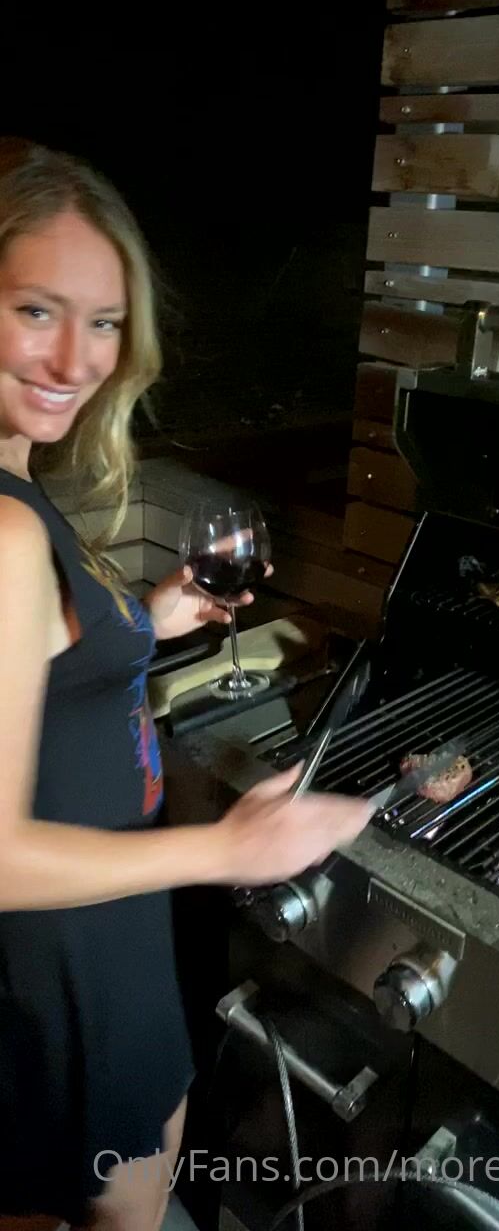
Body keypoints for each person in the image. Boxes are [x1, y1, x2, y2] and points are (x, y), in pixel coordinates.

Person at [0, 138, 371, 1231]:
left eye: (104, 322)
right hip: (65, 946)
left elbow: (35, 659)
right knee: (119, 1200)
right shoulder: (4, 533)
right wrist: (230, 849)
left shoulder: (17, 483)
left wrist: (143, 620)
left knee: (129, 1170)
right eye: (35, 310)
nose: (75, 358)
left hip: (96, 920)